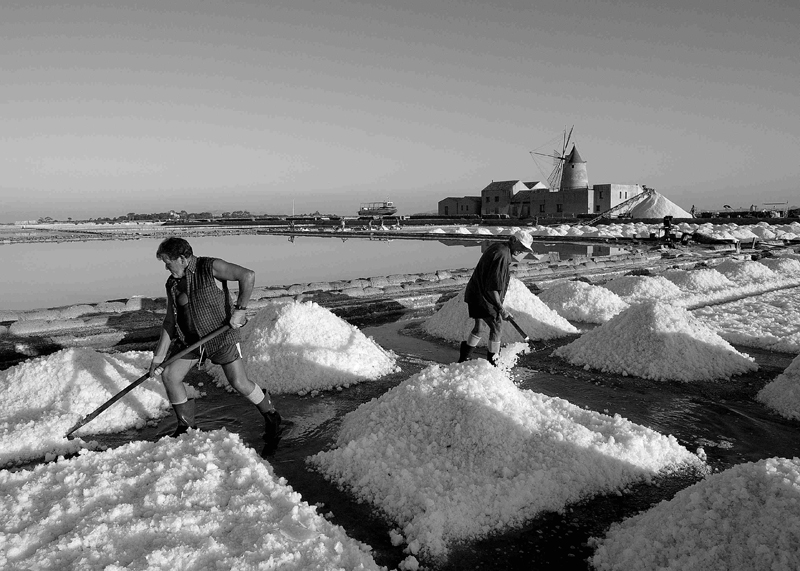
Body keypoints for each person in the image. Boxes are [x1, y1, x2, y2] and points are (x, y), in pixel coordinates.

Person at [149, 237, 281, 447]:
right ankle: (186, 428)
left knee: (239, 383)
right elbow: (170, 320)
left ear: (182, 258)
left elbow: (247, 275)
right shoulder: (172, 283)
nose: (166, 267)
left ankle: (272, 416)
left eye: (168, 262)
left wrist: (240, 310)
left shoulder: (208, 266)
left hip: (221, 337)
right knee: (169, 376)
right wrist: (158, 357)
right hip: (191, 342)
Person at [458, 231, 533, 365]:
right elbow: (492, 286)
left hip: (475, 292)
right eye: (521, 247)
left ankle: (464, 358)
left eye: (525, 249)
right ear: (513, 240)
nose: (522, 251)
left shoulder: (499, 248)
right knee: (497, 326)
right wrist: (500, 308)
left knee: (480, 327)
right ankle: (493, 363)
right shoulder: (502, 255)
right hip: (483, 296)